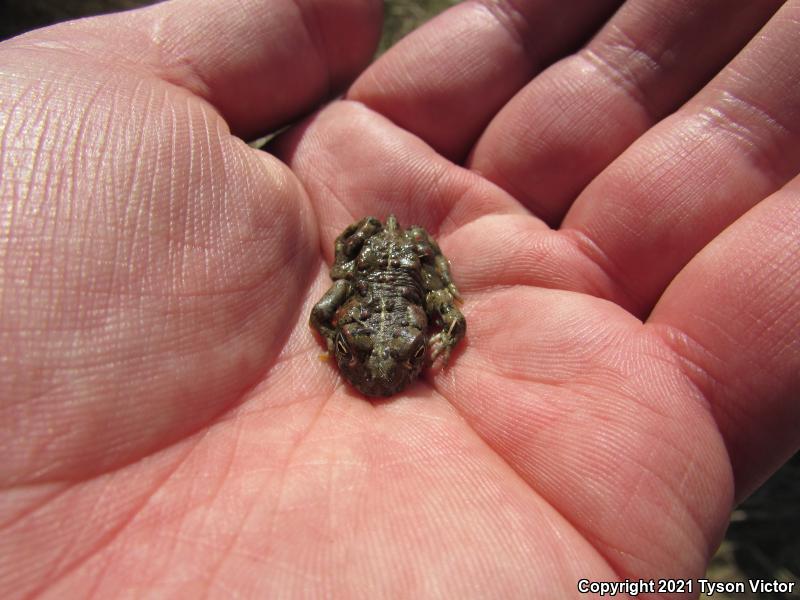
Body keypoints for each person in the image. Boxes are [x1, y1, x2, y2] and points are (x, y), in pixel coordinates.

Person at [1, 0, 797, 595]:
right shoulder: (362, 294)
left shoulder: (393, 285)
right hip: (387, 283)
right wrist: (381, 328)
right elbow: (343, 312)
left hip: (394, 281)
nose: (379, 367)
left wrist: (414, 323)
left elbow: (403, 309)